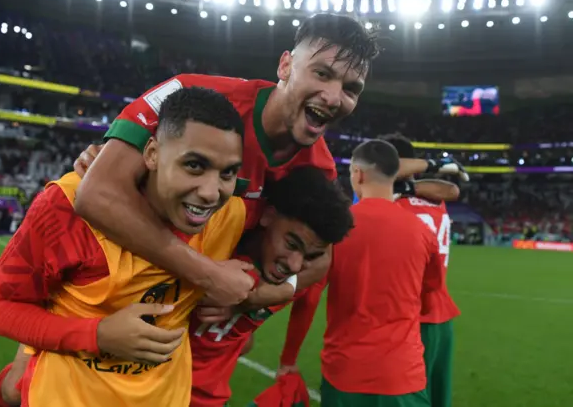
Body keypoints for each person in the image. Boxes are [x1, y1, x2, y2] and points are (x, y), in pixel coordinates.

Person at [70, 13, 387, 307]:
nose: (333, 97)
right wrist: (207, 275)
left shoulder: (318, 170)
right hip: (97, 289)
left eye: (351, 89)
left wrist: (260, 296)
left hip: (180, 321)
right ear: (285, 66)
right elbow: (96, 195)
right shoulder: (187, 94)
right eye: (322, 73)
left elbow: (321, 256)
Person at [0, 87, 250, 407]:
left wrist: (260, 292)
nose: (211, 192)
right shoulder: (67, 206)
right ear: (151, 153)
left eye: (228, 172)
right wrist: (97, 335)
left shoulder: (232, 216)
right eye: (193, 165)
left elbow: (306, 244)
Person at [190, 166, 354, 407]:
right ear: (267, 215)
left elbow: (322, 263)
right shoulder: (214, 243)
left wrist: (252, 301)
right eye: (291, 243)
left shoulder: (281, 279)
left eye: (310, 256)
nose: (296, 265)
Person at [323, 140, 444, 406]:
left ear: (358, 174)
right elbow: (432, 288)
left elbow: (308, 295)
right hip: (402, 375)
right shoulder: (423, 232)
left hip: (345, 371)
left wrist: (289, 358)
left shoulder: (335, 229)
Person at [382, 134, 461, 407]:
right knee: (439, 397)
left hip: (408, 319)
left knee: (407, 397)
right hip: (441, 317)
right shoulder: (435, 200)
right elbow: (452, 190)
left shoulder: (391, 203)